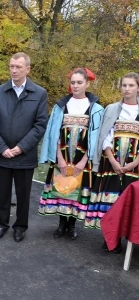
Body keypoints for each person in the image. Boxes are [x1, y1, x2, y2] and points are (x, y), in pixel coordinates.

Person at [0, 52, 48, 242]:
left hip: (25, 155)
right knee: (2, 192)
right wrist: (2, 147)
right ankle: (1, 224)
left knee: (23, 194)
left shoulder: (39, 93)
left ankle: (20, 226)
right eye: (11, 66)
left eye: (18, 67)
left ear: (27, 69)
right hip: (2, 153)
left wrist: (21, 148)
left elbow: (40, 125)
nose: (14, 70)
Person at [39, 68, 104, 240]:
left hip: (81, 158)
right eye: (73, 82)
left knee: (76, 191)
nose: (75, 86)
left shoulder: (96, 109)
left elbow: (96, 138)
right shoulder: (60, 107)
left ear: (87, 84)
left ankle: (72, 225)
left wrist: (85, 160)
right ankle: (61, 224)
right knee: (62, 188)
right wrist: (58, 157)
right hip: (63, 155)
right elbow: (54, 133)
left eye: (79, 82)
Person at [87, 72, 139, 253]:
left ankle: (129, 239)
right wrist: (112, 160)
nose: (127, 89)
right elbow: (105, 136)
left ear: (138, 87)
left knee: (130, 201)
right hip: (112, 162)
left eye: (131, 85)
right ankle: (111, 239)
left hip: (135, 165)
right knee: (111, 199)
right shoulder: (111, 109)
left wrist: (134, 163)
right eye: (124, 85)